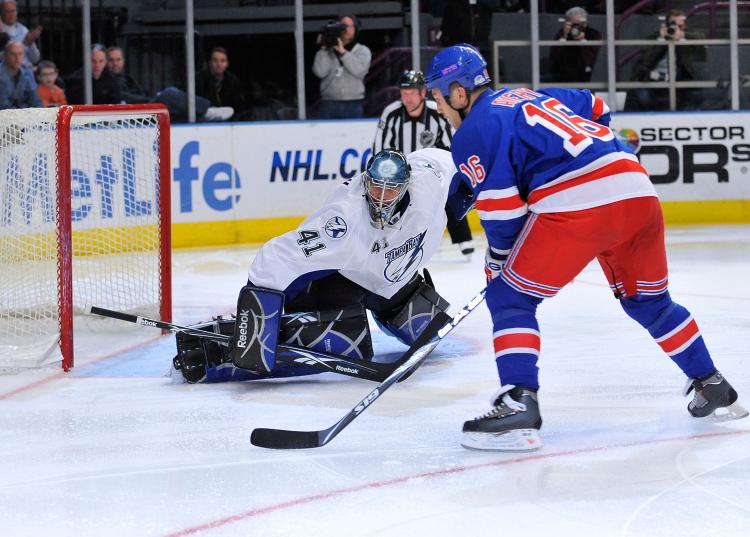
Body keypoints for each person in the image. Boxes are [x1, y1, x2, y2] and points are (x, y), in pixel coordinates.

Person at [424, 44, 747, 451]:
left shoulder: (472, 130)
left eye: (437, 94)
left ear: (458, 92)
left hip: (580, 203)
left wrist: (497, 268)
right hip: (636, 188)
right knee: (649, 302)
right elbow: (595, 107)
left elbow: (504, 217)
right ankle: (711, 383)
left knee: (509, 298)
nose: (437, 105)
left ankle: (518, 405)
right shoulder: (534, 95)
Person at [172, 148, 455, 384]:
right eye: (375, 186)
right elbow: (275, 258)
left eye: (390, 189)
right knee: (344, 341)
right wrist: (255, 329)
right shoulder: (344, 220)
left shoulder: (426, 186)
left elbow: (452, 163)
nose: (380, 196)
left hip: (391, 283)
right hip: (342, 282)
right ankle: (213, 349)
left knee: (430, 332)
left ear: (406, 186)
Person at [373, 69, 475, 258]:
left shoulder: (436, 111)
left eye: (412, 92)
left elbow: (453, 145)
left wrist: (437, 153)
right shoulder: (392, 113)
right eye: (404, 93)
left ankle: (463, 237)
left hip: (432, 171)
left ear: (422, 93)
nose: (408, 98)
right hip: (400, 173)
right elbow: (381, 148)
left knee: (447, 192)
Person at [630, 9, 707, 110]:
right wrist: (661, 40)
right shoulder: (655, 37)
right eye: (673, 25)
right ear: (666, 24)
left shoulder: (686, 35)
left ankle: (681, 119)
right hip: (653, 79)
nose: (675, 28)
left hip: (679, 79)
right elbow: (647, 60)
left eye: (680, 26)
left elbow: (702, 38)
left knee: (696, 96)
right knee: (643, 97)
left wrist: (682, 36)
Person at [312, 15, 371, 119]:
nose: (345, 29)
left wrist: (343, 53)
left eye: (348, 26)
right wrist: (324, 48)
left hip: (353, 103)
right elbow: (320, 72)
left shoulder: (362, 50)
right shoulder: (327, 51)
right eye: (342, 26)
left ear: (355, 29)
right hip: (329, 103)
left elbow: (360, 71)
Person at [547, 6, 602, 83]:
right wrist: (564, 36)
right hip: (562, 75)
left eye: (580, 24)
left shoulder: (593, 34)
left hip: (586, 75)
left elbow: (591, 58)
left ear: (585, 23)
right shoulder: (563, 33)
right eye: (574, 24)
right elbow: (553, 57)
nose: (576, 28)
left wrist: (583, 42)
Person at [196, 47, 244, 118]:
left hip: (229, 122)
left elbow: (239, 106)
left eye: (222, 61)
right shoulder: (199, 79)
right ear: (209, 63)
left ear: (227, 64)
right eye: (215, 60)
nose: (219, 64)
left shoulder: (233, 81)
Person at [0, 41, 41, 109]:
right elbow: (3, 106)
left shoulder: (27, 73)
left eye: (20, 54)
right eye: (13, 54)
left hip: (23, 114)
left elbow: (35, 101)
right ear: (5, 56)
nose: (17, 58)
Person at [0, 1, 41, 66]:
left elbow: (35, 59)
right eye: (7, 11)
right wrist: (25, 44)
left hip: (27, 72)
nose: (11, 14)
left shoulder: (22, 29)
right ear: (1, 14)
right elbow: (3, 60)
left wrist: (31, 43)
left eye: (13, 11)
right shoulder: (1, 33)